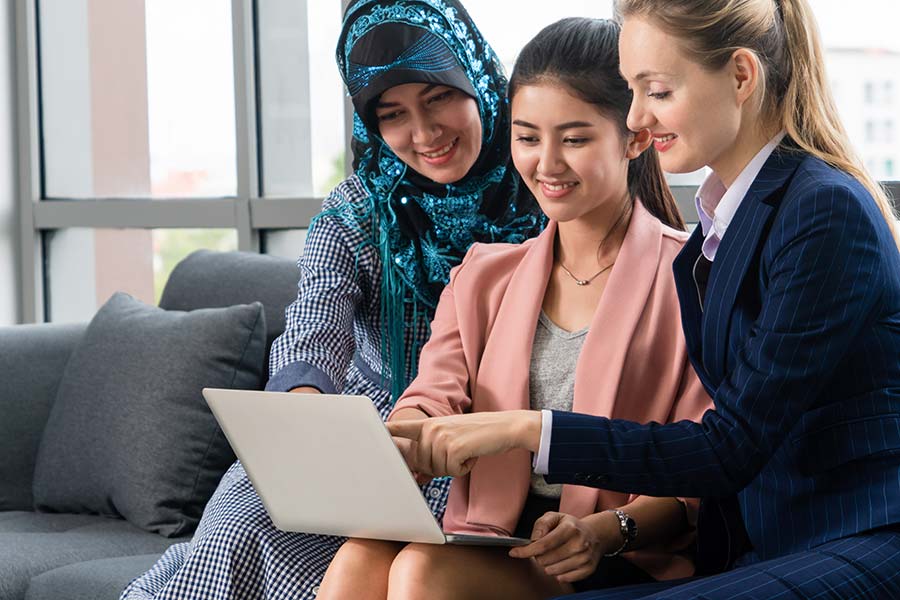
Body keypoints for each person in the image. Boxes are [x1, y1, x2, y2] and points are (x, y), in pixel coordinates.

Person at [387, 1, 900, 598]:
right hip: (775, 544)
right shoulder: (730, 223)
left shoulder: (820, 211)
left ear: (741, 75)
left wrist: (532, 432)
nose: (637, 116)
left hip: (859, 532)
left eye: (655, 91)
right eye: (632, 91)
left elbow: (726, 446)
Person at [119, 2, 542, 599]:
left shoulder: (545, 187)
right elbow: (313, 326)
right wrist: (305, 412)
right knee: (244, 514)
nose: (423, 134)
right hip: (364, 448)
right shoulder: (358, 210)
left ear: (472, 73)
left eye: (437, 97)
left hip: (485, 452)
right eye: (392, 114)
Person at [317, 18, 712, 600]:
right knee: (360, 556)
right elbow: (432, 396)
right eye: (527, 138)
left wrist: (605, 530)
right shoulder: (483, 275)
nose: (546, 164)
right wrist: (408, 440)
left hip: (610, 548)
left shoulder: (694, 279)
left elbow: (699, 468)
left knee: (422, 573)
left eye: (573, 139)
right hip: (492, 536)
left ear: (634, 137)